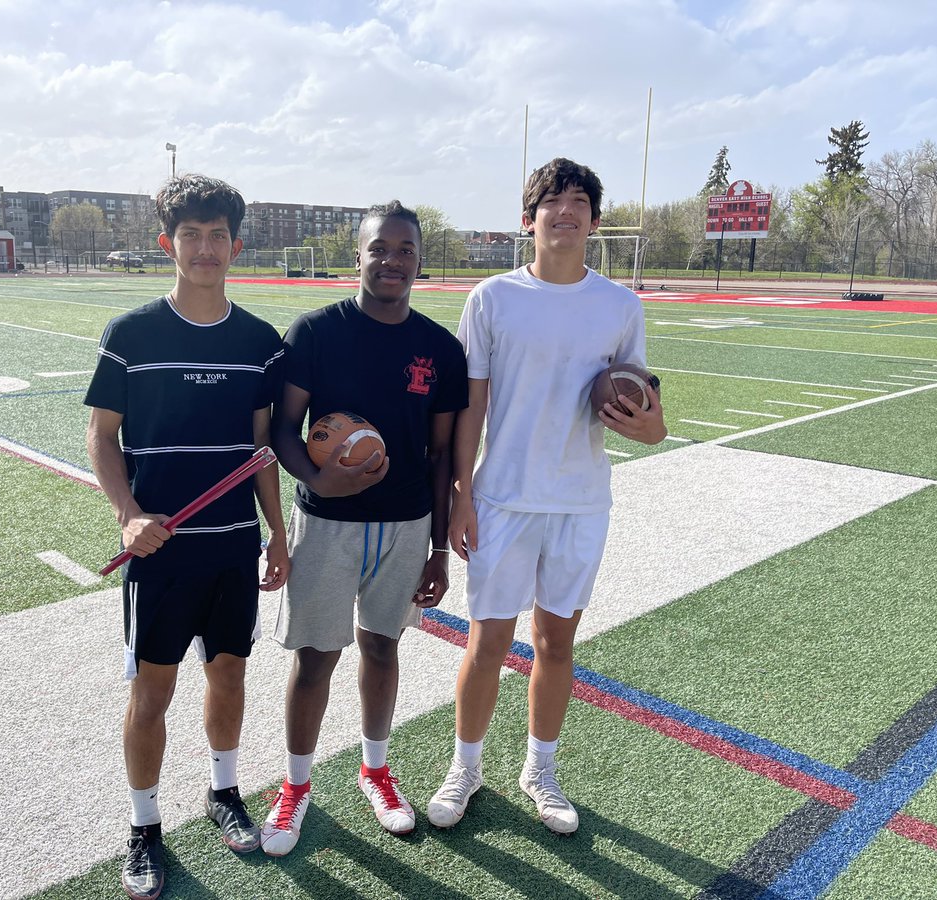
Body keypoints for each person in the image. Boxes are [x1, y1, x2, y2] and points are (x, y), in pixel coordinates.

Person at [426, 158, 667, 835]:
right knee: (487, 640)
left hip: (580, 499)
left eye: (580, 201)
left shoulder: (620, 305)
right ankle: (465, 768)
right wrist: (463, 494)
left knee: (556, 643)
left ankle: (541, 770)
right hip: (503, 497)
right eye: (553, 201)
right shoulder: (493, 298)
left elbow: (647, 413)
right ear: (527, 219)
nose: (567, 211)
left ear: (594, 219)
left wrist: (650, 425)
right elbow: (471, 405)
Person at [84, 174, 290, 899]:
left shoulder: (260, 342)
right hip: (161, 553)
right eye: (190, 234)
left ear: (236, 244)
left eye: (218, 235)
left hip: (233, 546)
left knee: (230, 672)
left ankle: (223, 791)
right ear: (167, 242)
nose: (205, 248)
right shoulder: (132, 334)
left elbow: (261, 446)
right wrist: (127, 513)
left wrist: (277, 535)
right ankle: (143, 828)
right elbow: (102, 437)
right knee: (152, 692)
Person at [259, 201, 467, 856]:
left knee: (383, 648)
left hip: (405, 527)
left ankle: (376, 770)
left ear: (418, 261)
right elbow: (282, 431)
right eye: (380, 248)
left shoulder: (438, 348)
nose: (393, 261)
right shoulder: (317, 330)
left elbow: (439, 456)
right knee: (316, 657)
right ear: (359, 255)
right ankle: (296, 785)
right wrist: (318, 481)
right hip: (327, 525)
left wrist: (438, 547)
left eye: (405, 250)